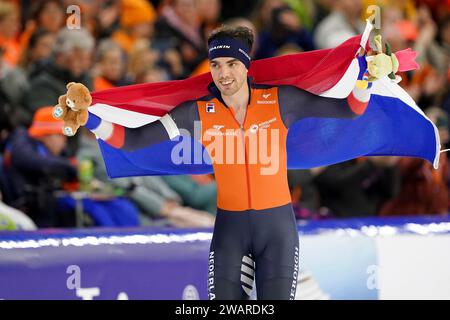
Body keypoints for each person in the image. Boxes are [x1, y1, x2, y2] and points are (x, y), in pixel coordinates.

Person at [82, 25, 374, 299]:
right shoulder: (196, 113)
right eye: (215, 65)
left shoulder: (281, 101)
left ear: (246, 65)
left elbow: (349, 109)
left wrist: (367, 80)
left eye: (231, 64)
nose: (223, 73)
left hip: (277, 232)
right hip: (230, 231)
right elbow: (132, 140)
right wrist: (90, 119)